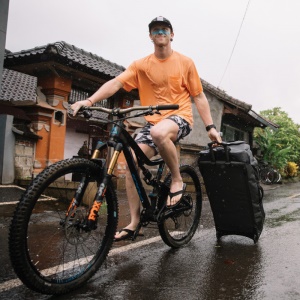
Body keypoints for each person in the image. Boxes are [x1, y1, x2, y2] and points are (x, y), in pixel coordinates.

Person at [71, 16, 222, 241]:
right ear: (150, 36)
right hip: (152, 122)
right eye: (155, 30)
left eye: (164, 29)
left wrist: (210, 127)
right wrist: (90, 101)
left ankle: (178, 179)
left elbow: (198, 96)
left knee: (159, 132)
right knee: (131, 160)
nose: (160, 32)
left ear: (172, 35)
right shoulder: (141, 65)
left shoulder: (185, 62)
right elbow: (116, 83)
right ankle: (134, 223)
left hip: (179, 117)